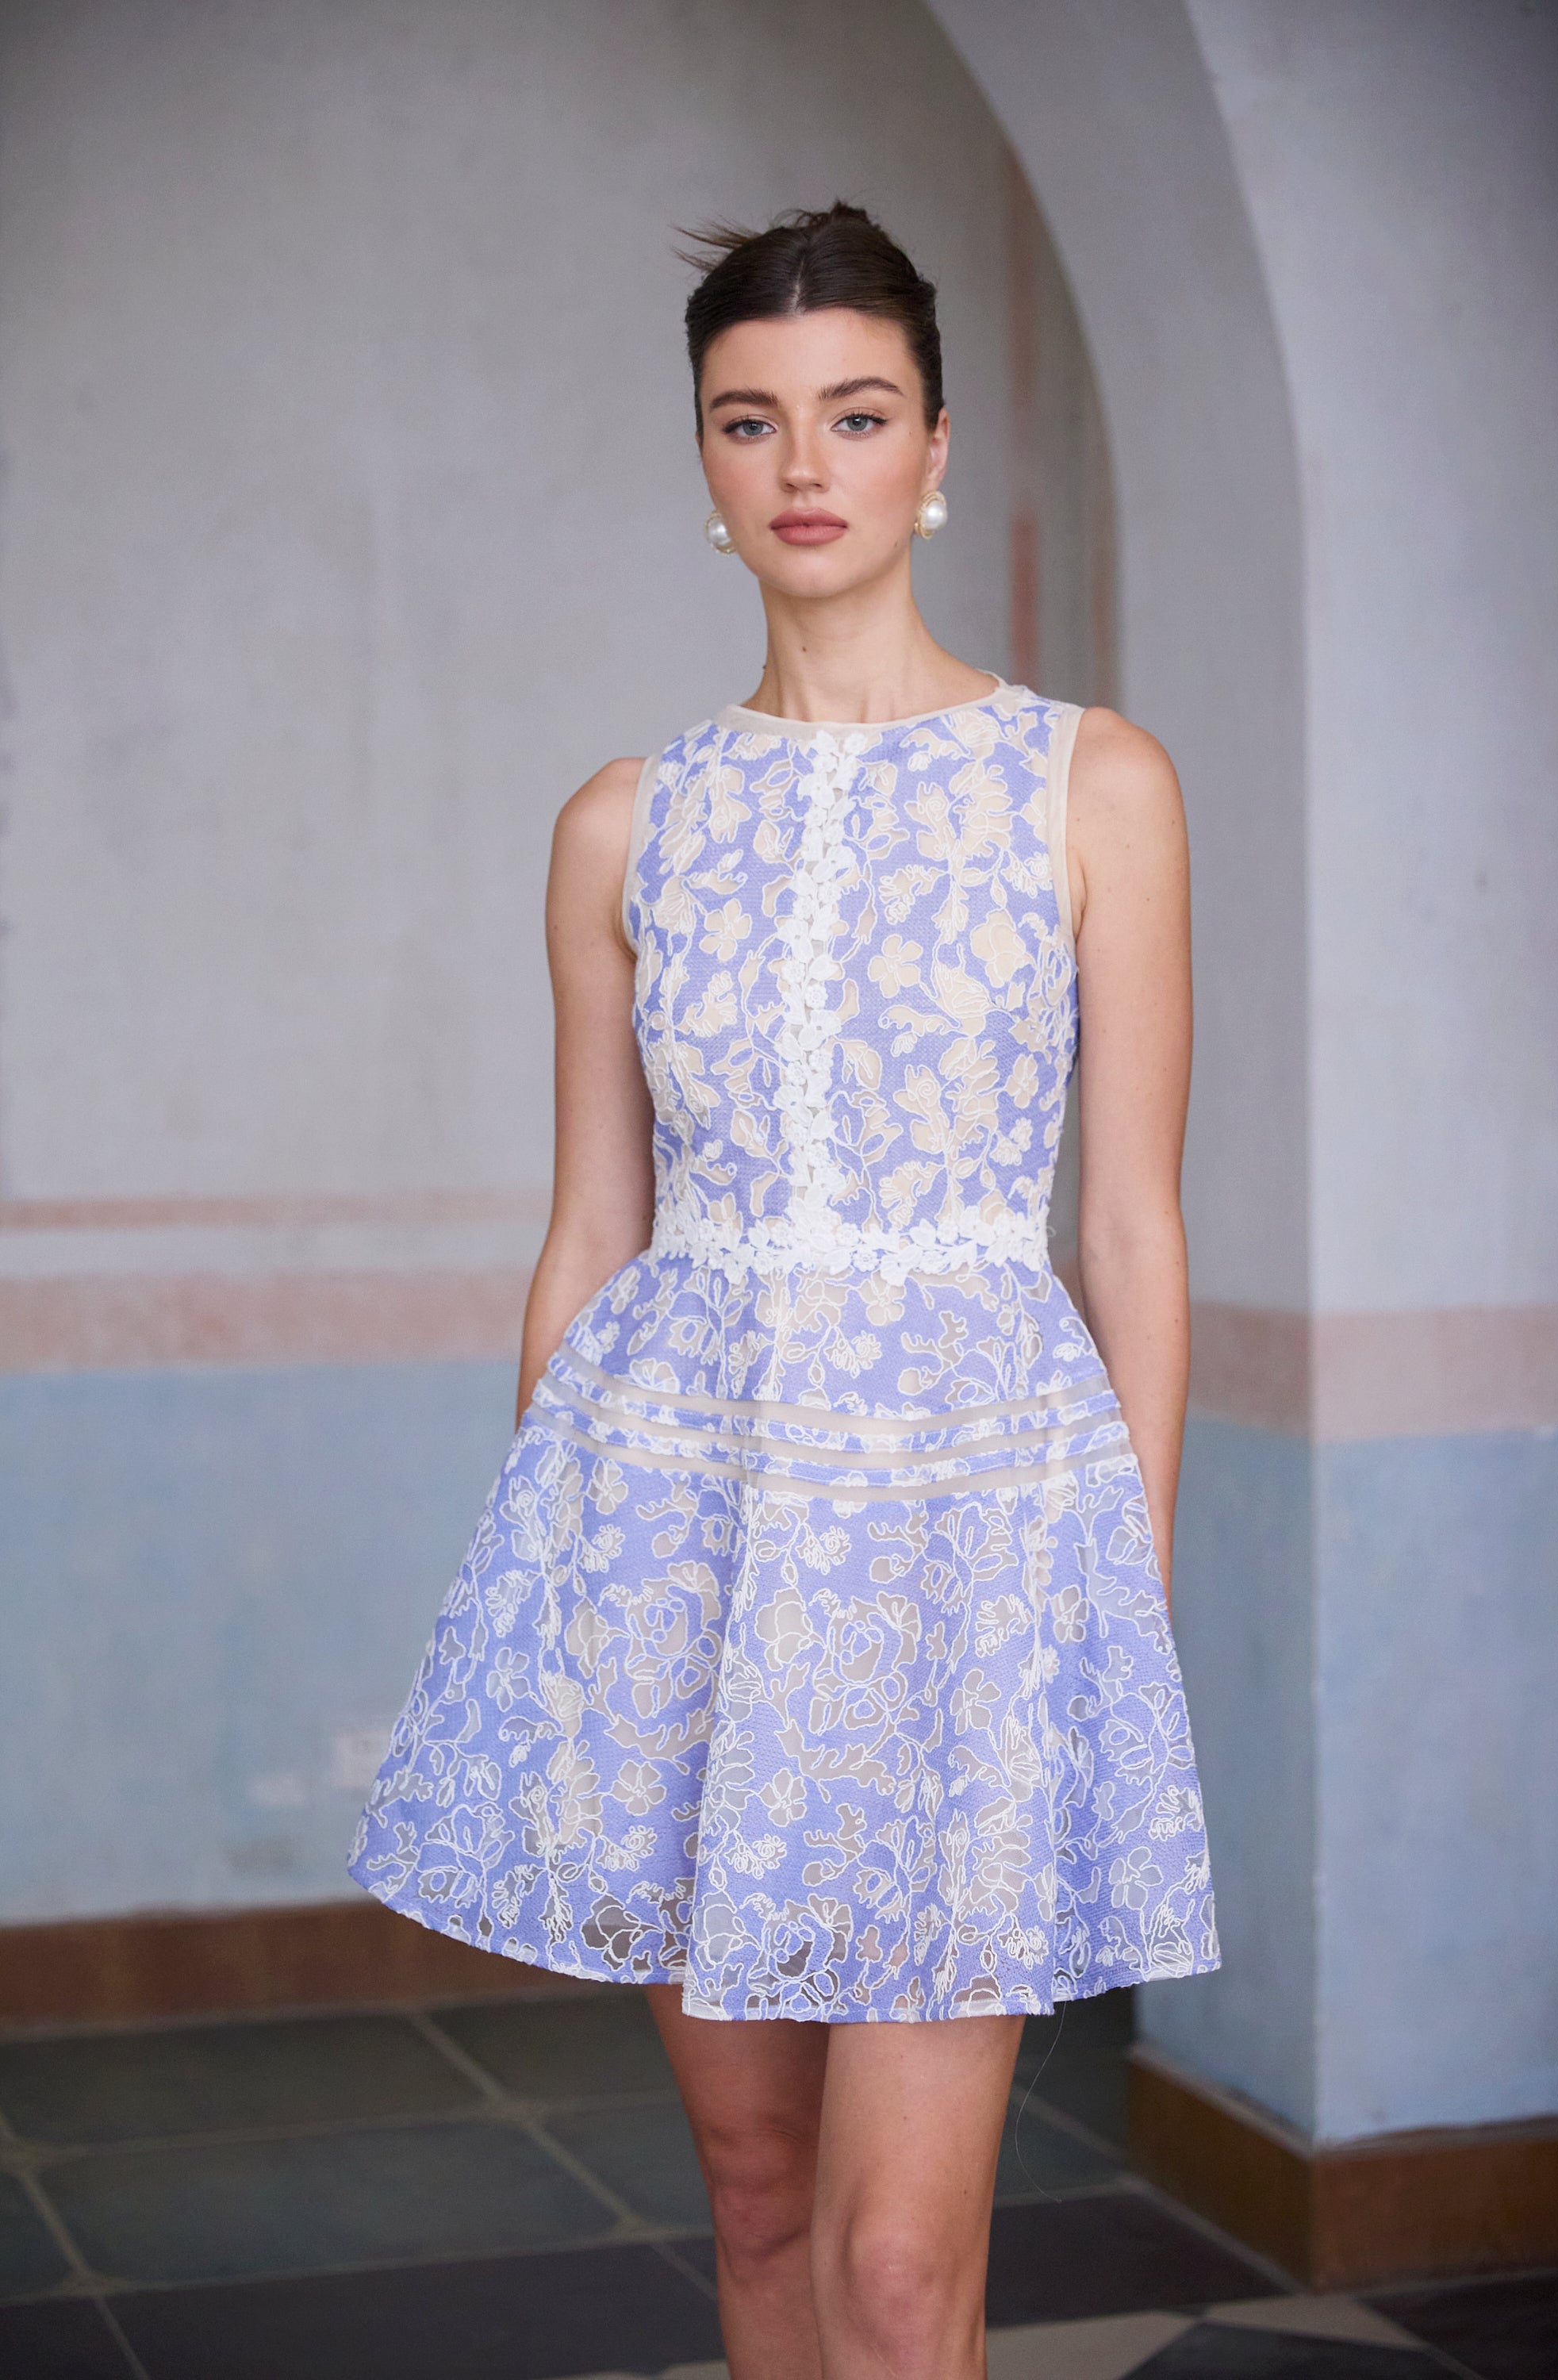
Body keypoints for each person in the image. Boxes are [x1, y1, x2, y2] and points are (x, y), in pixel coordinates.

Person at [351, 202, 1219, 2380]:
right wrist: (567, 1604)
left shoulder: (1093, 785)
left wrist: (1116, 1603)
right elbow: (591, 1235)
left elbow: (1129, 1230)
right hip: (685, 1548)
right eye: (752, 421)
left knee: (903, 2269)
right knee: (753, 2195)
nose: (804, 463)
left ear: (935, 449)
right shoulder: (622, 826)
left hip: (969, 1568)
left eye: (856, 412)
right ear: (706, 462)